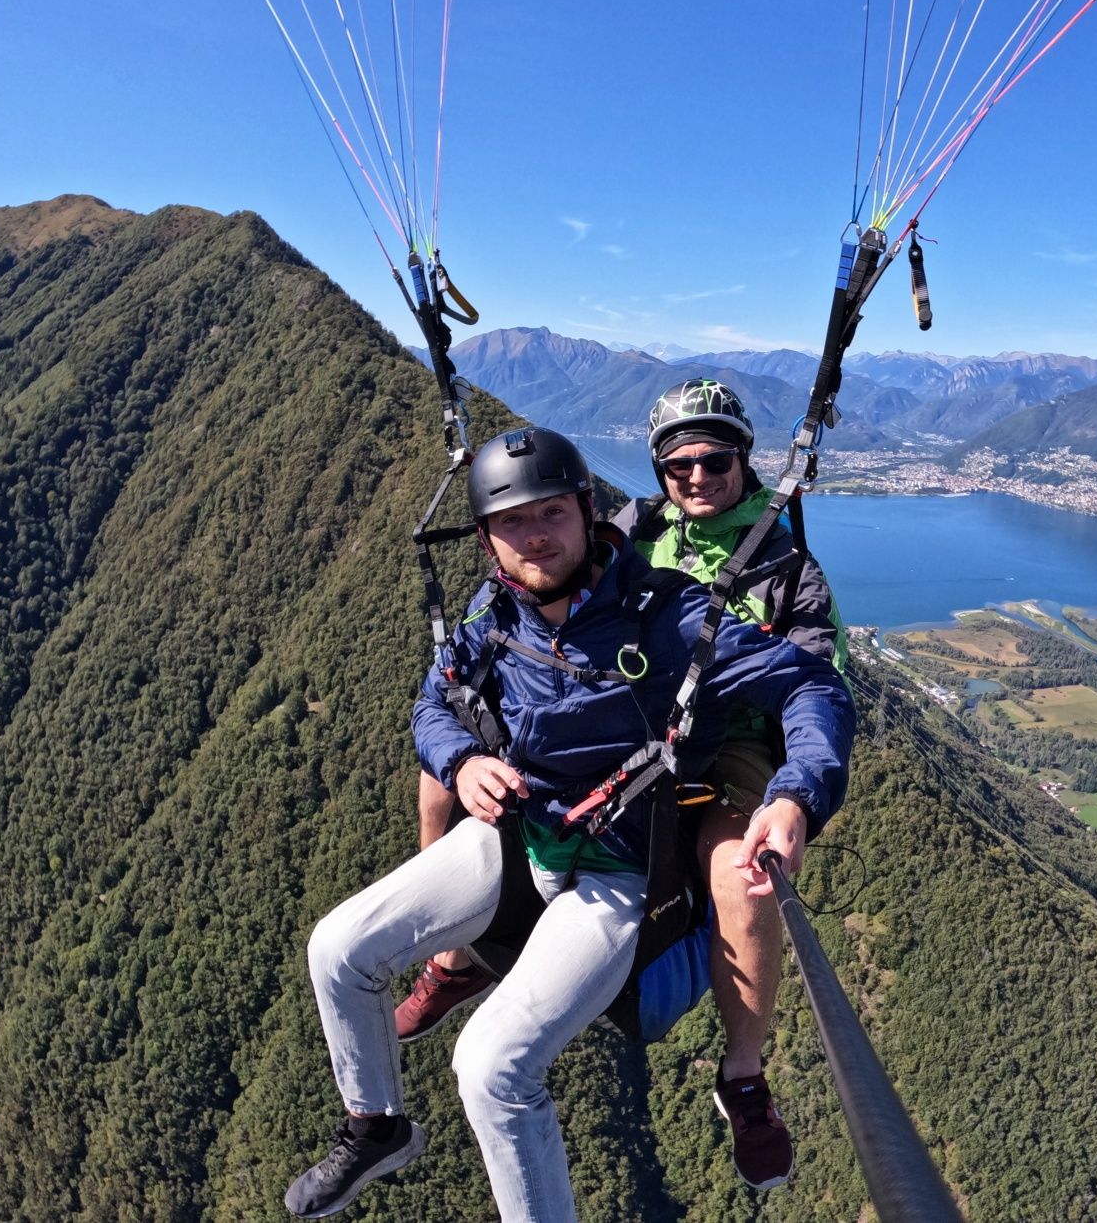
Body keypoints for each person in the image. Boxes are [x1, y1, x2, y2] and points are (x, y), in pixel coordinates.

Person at [285, 427, 853, 1221]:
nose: (536, 536)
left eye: (551, 512)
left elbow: (811, 687)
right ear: (485, 538)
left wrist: (793, 794)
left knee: (491, 1068)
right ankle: (376, 1125)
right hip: (519, 836)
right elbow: (433, 703)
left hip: (617, 868)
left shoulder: (667, 615)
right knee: (337, 950)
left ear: (589, 514)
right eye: (512, 522)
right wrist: (461, 761)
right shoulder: (494, 619)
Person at [610, 379, 846, 1188]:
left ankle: (742, 1076)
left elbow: (817, 687)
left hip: (736, 740)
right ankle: (463, 954)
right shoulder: (632, 533)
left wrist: (797, 791)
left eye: (715, 460)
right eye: (679, 465)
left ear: (743, 460)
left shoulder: (786, 565)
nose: (698, 476)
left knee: (744, 878)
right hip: (634, 727)